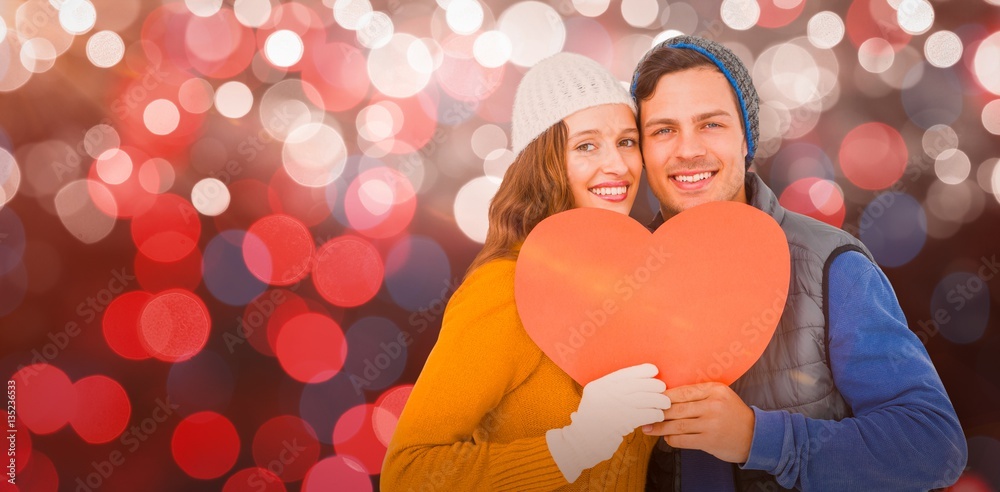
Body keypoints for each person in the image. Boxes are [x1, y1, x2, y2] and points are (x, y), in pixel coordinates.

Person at [631, 35, 968, 491]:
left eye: (711, 124)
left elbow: (933, 446)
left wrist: (758, 437)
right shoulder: (623, 279)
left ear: (747, 138)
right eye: (663, 130)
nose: (688, 150)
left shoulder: (831, 266)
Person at [381, 53, 672, 490]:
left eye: (627, 141)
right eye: (587, 145)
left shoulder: (632, 286)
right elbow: (408, 474)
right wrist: (574, 445)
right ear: (545, 163)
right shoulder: (504, 289)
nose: (618, 165)